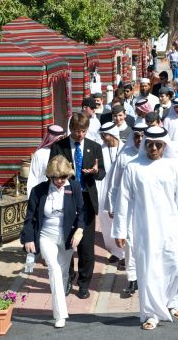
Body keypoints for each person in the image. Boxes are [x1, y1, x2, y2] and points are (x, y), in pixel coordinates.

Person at [112, 126, 178, 330]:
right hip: (144, 229)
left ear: (165, 145)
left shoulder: (175, 167)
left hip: (171, 228)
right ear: (144, 144)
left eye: (157, 145)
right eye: (149, 144)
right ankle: (151, 314)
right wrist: (120, 231)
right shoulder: (133, 168)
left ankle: (171, 301)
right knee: (150, 272)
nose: (153, 148)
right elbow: (123, 202)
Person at [20, 155, 85, 328]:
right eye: (57, 178)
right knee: (54, 269)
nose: (61, 181)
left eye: (64, 177)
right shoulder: (39, 190)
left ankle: (59, 302)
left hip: (67, 238)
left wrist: (79, 230)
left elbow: (82, 212)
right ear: (50, 176)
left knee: (63, 274)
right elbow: (30, 218)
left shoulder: (75, 187)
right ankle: (60, 314)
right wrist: (28, 238)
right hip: (46, 236)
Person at [49, 112, 106, 299]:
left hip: (87, 200)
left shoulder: (94, 147)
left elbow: (102, 173)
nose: (80, 135)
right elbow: (51, 172)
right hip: (65, 200)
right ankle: (67, 278)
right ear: (70, 129)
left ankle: (84, 283)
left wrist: (96, 172)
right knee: (66, 243)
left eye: (83, 131)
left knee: (86, 246)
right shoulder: (59, 146)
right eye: (76, 131)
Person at [106, 123, 148, 295]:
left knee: (146, 243)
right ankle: (132, 278)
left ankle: (145, 276)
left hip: (148, 207)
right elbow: (114, 183)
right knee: (130, 243)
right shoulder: (124, 155)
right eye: (136, 136)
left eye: (142, 136)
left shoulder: (153, 155)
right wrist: (111, 204)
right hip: (128, 207)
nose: (139, 139)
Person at [98, 122, 125, 268]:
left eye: (105, 135)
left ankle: (126, 255)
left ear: (113, 134)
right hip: (104, 188)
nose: (103, 138)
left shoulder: (125, 148)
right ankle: (115, 251)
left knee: (121, 220)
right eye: (102, 135)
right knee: (105, 218)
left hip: (122, 188)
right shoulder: (100, 149)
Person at [27, 125, 66, 197]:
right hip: (44, 194)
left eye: (62, 138)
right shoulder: (40, 154)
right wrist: (32, 198)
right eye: (58, 138)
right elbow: (33, 177)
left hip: (62, 194)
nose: (60, 140)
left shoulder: (65, 152)